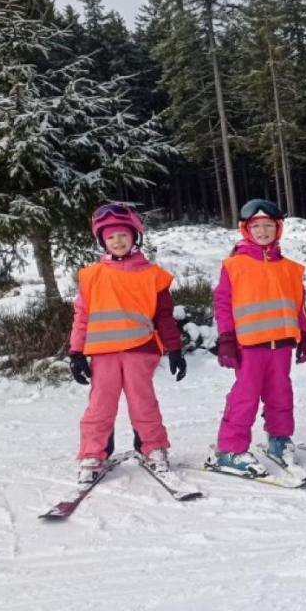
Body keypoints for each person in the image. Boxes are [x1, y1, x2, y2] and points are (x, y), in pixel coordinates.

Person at [69, 203, 186, 484]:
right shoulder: (91, 275)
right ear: (102, 241)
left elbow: (165, 317)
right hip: (103, 355)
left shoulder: (153, 275)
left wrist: (174, 349)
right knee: (100, 406)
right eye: (110, 237)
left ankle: (153, 447)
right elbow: (82, 316)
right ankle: (93, 453)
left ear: (135, 236)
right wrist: (76, 352)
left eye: (123, 234)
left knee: (143, 403)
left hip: (140, 351)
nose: (118, 241)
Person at [210, 199, 306, 476]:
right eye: (257, 226)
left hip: (281, 344)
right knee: (246, 396)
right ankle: (230, 449)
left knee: (281, 393)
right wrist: (227, 339)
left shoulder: (290, 268)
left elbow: (298, 304)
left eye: (269, 226)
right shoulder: (235, 265)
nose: (264, 231)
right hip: (249, 346)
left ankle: (279, 439)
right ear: (246, 230)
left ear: (278, 229)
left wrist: (304, 336)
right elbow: (223, 304)